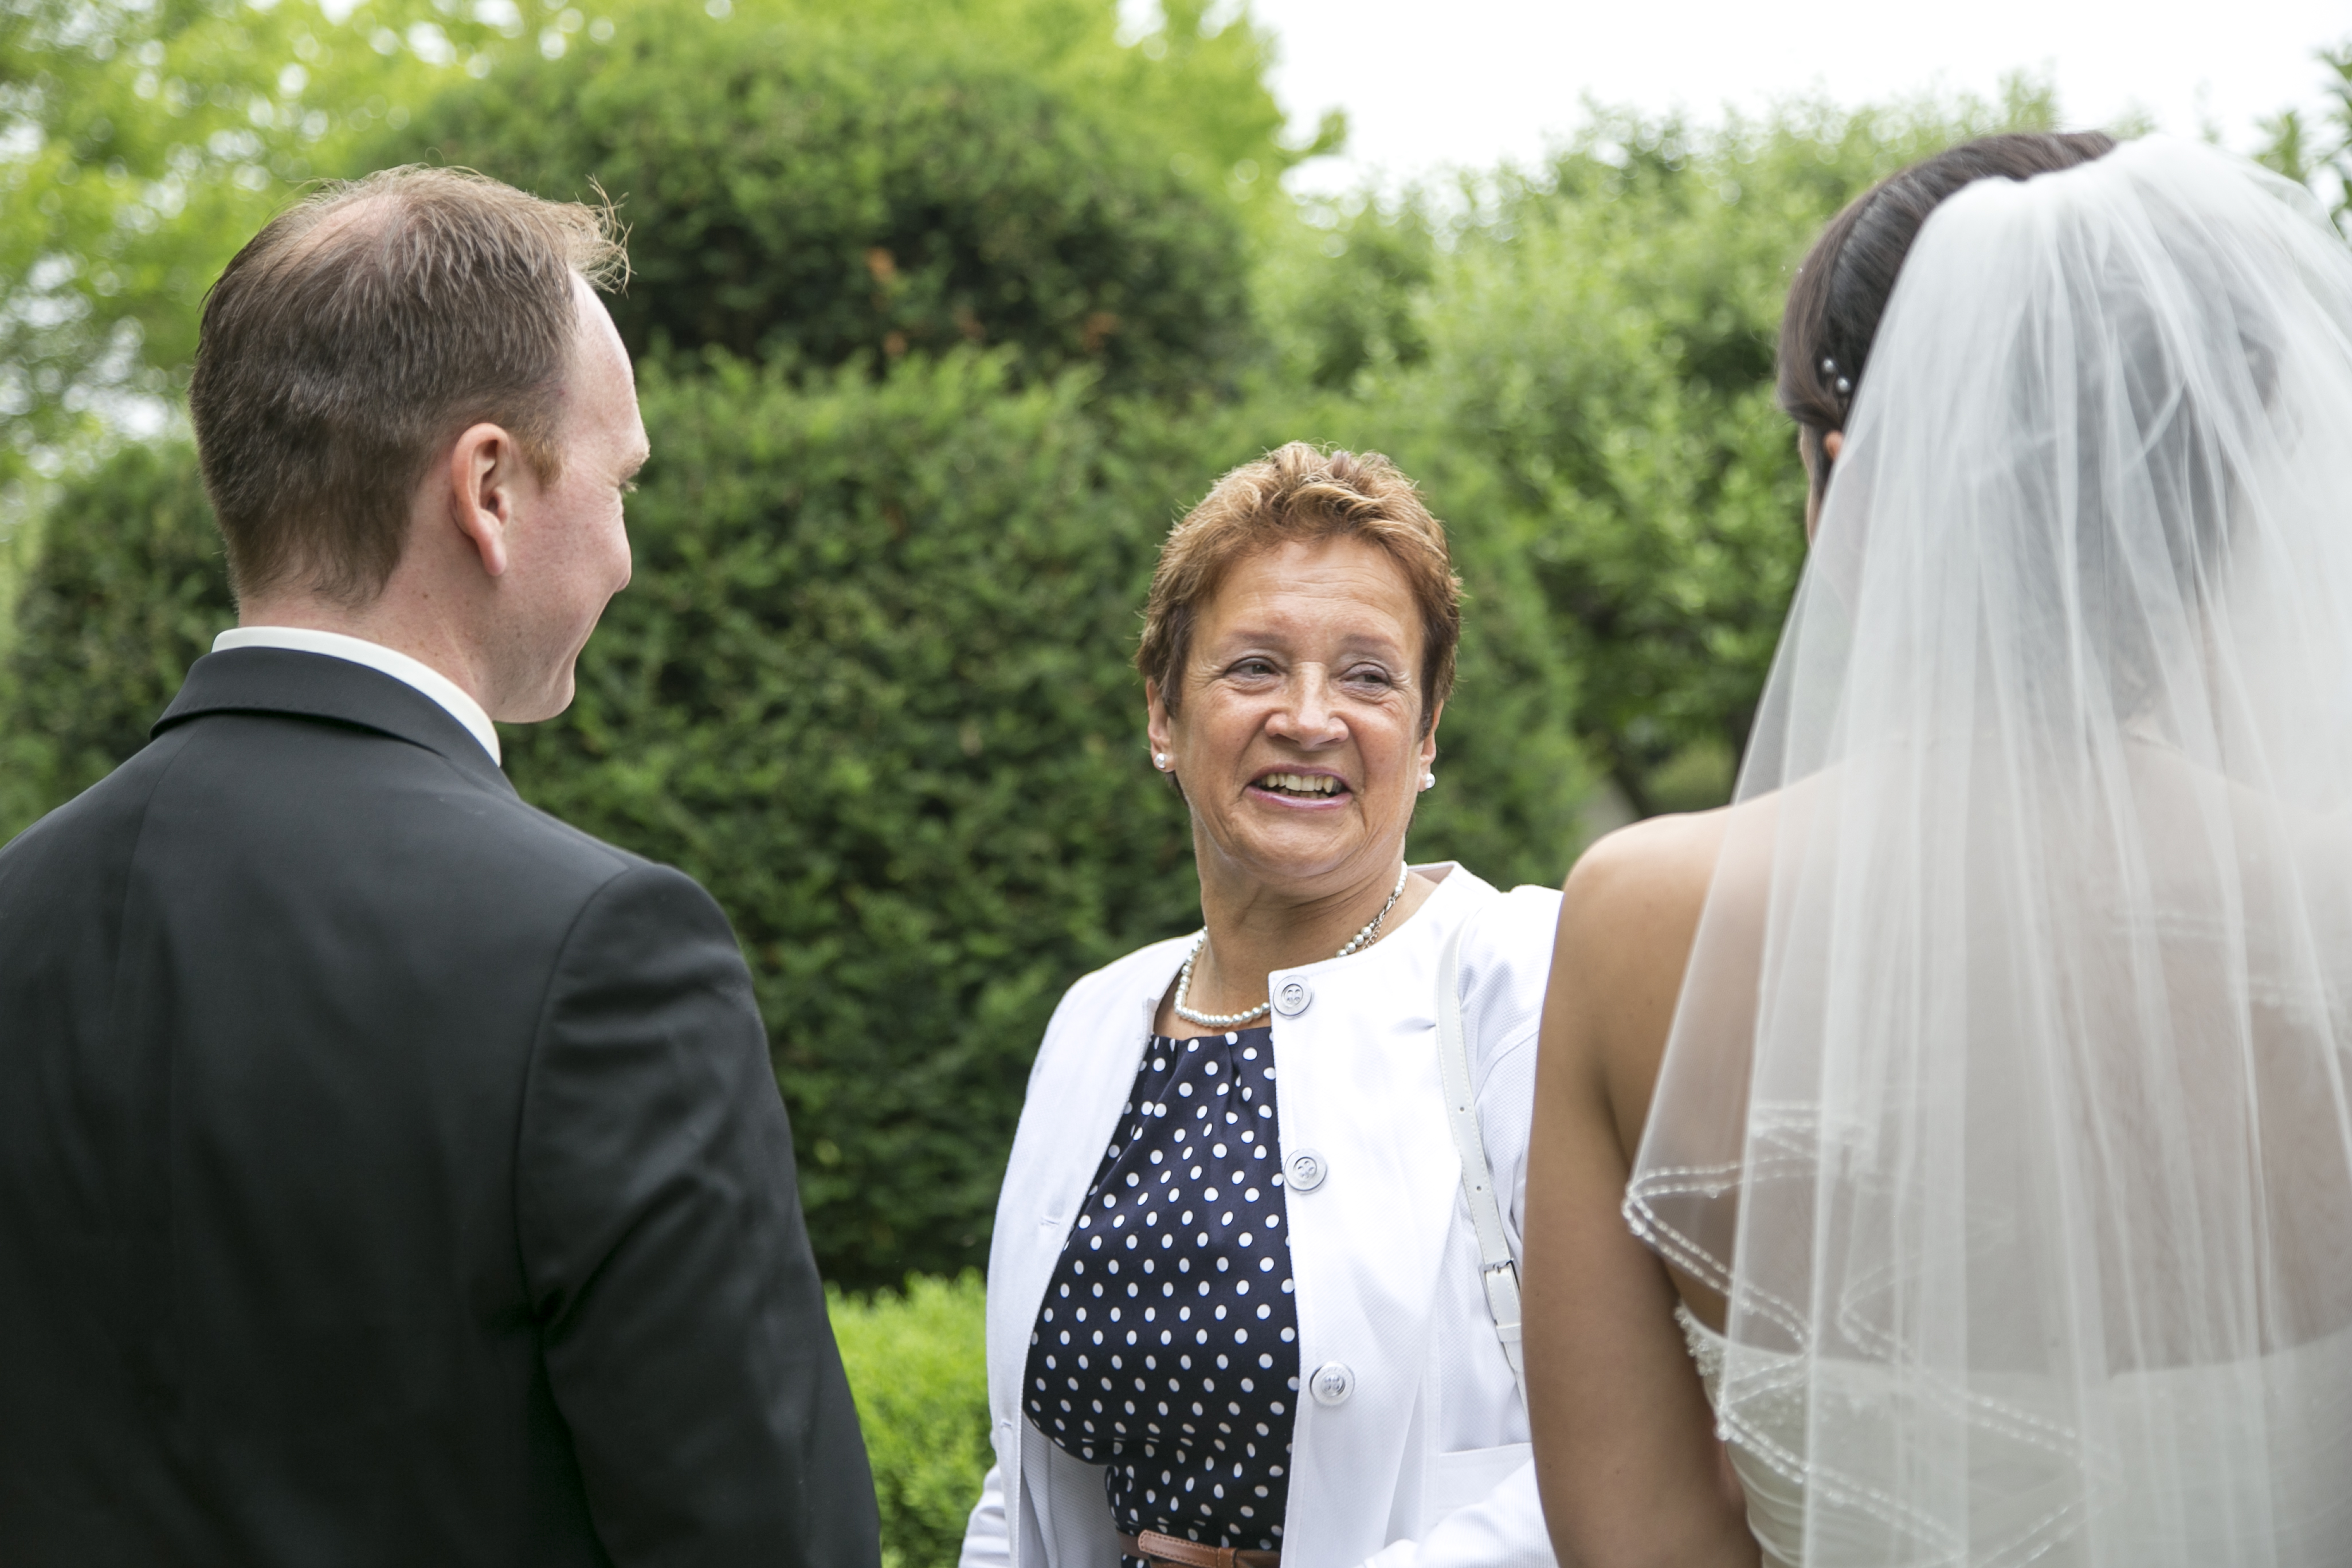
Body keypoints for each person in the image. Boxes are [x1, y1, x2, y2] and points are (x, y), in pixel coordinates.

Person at [0, 168, 880, 1565]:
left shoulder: (19, 912)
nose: (626, 554)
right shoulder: (603, 953)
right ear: (489, 488)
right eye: (620, 481)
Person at [1522, 130, 2352, 1567]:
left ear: (1850, 492)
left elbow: (1637, 1540)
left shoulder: (1644, 920)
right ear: (2215, 504)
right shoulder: (2329, 912)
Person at [959, 444, 1562, 1568]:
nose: (1310, 717)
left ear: (1427, 731)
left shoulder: (1526, 983)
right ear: (1162, 712)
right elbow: (1026, 1478)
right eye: (1254, 667)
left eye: (1370, 677)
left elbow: (1633, 1444)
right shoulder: (1099, 1020)